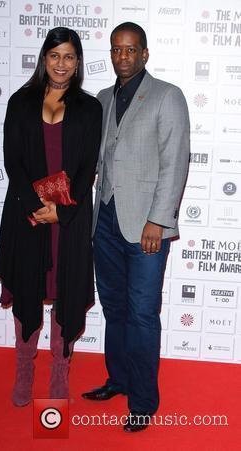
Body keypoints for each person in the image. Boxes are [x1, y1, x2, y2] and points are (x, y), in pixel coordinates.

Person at [82, 22, 190, 432]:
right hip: (105, 221)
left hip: (146, 225)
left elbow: (175, 162)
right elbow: (95, 159)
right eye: (116, 50)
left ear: (144, 53)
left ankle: (144, 401)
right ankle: (119, 380)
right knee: (114, 308)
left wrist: (158, 221)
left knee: (142, 313)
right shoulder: (103, 98)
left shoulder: (167, 96)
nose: (122, 56)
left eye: (130, 50)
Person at [0, 27, 102, 407]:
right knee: (27, 289)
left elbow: (89, 168)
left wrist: (62, 210)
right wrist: (36, 208)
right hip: (27, 216)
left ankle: (60, 370)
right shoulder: (19, 102)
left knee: (66, 293)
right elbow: (13, 161)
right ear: (44, 58)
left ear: (77, 63)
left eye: (69, 56)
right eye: (55, 55)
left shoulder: (90, 108)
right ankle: (24, 369)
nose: (61, 63)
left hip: (69, 218)